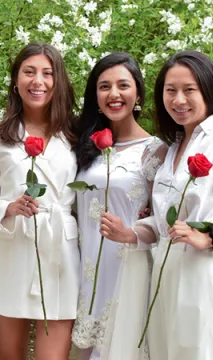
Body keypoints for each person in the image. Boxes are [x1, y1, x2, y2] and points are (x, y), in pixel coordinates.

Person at [110, 51, 213, 360]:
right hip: (164, 274)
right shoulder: (171, 148)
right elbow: (168, 226)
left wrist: (211, 236)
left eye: (190, 90)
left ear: (208, 90)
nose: (179, 100)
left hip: (204, 274)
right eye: (170, 90)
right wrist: (131, 232)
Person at [0, 43, 79, 360]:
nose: (38, 81)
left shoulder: (75, 135)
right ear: (16, 81)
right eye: (29, 72)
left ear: (58, 81)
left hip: (60, 252)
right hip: (11, 252)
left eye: (47, 73)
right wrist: (7, 208)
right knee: (9, 355)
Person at [69, 53, 167, 360]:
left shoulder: (156, 150)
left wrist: (132, 232)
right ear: (95, 95)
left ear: (137, 92)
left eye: (123, 85)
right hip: (85, 271)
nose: (113, 94)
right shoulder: (82, 144)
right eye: (104, 86)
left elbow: (163, 222)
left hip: (129, 269)